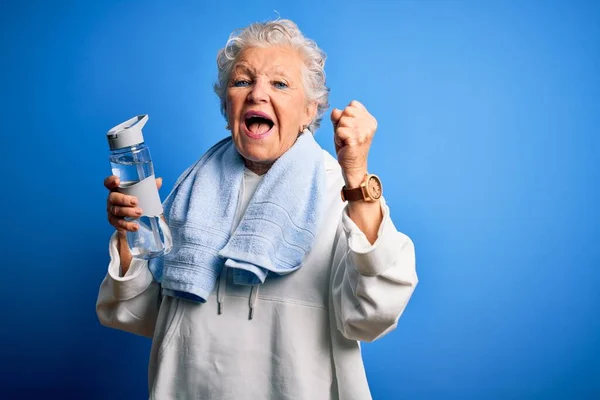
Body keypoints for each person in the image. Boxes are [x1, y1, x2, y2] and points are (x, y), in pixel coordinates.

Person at [96, 18, 418, 400]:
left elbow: (373, 315)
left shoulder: (340, 191)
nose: (256, 95)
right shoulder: (190, 192)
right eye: (242, 81)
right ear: (227, 103)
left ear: (309, 110)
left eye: (280, 84)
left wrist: (358, 177)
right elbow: (138, 314)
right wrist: (130, 234)